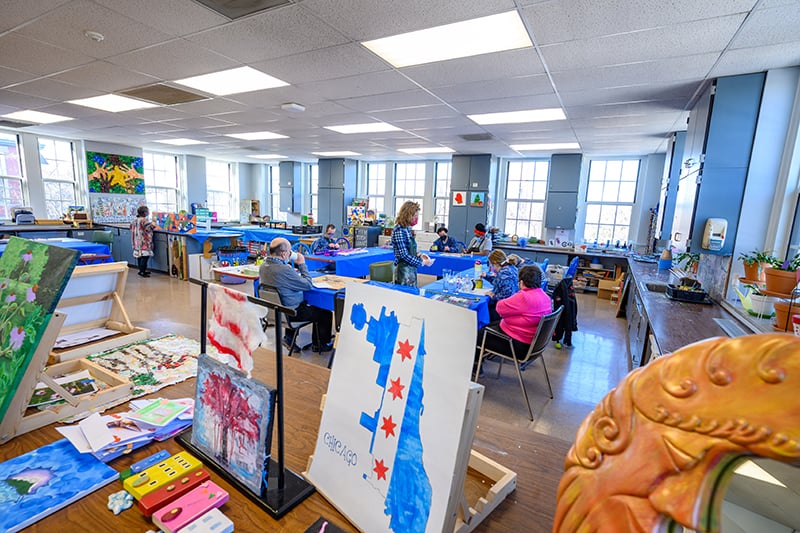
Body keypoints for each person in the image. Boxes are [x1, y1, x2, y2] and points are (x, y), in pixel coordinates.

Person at [259, 237, 333, 352]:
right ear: (284, 253)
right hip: (290, 313)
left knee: (288, 300)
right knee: (324, 313)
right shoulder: (283, 269)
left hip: (274, 311)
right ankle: (320, 345)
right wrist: (302, 264)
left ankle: (289, 338)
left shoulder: (263, 266)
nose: (291, 254)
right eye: (289, 251)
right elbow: (308, 284)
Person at [475, 265, 552, 374]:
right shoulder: (545, 297)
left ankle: (475, 367)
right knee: (489, 326)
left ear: (521, 282)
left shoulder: (523, 297)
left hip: (519, 345)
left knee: (480, 333)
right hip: (535, 344)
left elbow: (499, 307)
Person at [391, 201, 432, 287]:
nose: (417, 219)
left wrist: (419, 255)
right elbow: (404, 255)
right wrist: (422, 262)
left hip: (411, 268)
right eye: (415, 216)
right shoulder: (399, 230)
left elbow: (409, 249)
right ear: (408, 215)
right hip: (403, 270)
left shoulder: (407, 229)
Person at [483, 250, 524, 322]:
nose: (490, 267)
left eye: (491, 265)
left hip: (506, 311)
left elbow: (506, 295)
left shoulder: (503, 274)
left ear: (495, 263)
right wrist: (486, 276)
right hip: (516, 306)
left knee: (484, 312)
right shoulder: (512, 267)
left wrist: (493, 296)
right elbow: (498, 282)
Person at [131, 205, 154, 277]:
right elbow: (148, 228)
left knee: (139, 256)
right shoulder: (144, 220)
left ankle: (141, 270)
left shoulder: (135, 220)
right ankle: (142, 271)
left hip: (136, 241)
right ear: (145, 213)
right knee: (145, 256)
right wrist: (154, 224)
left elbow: (131, 228)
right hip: (143, 241)